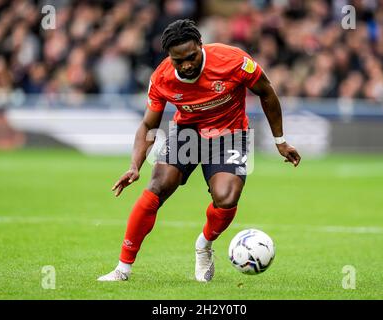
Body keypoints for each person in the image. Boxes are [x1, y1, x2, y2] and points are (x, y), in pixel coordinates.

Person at [97, 19, 301, 282]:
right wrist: (134, 165)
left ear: (201, 46)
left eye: (191, 57)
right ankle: (122, 269)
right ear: (169, 58)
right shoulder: (161, 78)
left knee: (226, 198)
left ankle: (204, 244)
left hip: (230, 134)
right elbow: (149, 123)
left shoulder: (233, 61)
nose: (186, 65)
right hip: (188, 132)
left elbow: (267, 92)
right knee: (157, 186)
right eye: (178, 61)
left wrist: (280, 140)